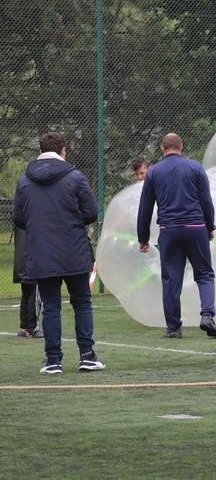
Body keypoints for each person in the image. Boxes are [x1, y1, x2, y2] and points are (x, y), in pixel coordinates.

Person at [12, 131, 104, 374]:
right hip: (74, 250)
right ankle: (87, 356)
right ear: (64, 151)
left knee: (52, 307)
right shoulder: (75, 177)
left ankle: (53, 361)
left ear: (40, 152)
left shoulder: (24, 181)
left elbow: (18, 219)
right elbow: (91, 213)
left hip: (42, 253)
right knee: (82, 304)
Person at [137, 133, 216, 339]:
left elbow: (145, 209)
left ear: (162, 148)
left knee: (171, 279)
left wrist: (143, 238)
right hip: (196, 227)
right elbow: (206, 201)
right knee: (204, 274)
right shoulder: (195, 167)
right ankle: (207, 315)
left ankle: (173, 328)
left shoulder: (153, 172)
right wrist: (210, 226)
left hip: (169, 230)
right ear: (181, 147)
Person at [12, 224, 43, 339]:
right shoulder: (34, 219)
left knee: (26, 294)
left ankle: (23, 327)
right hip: (31, 263)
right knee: (34, 296)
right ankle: (33, 329)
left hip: (21, 262)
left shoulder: (19, 219)